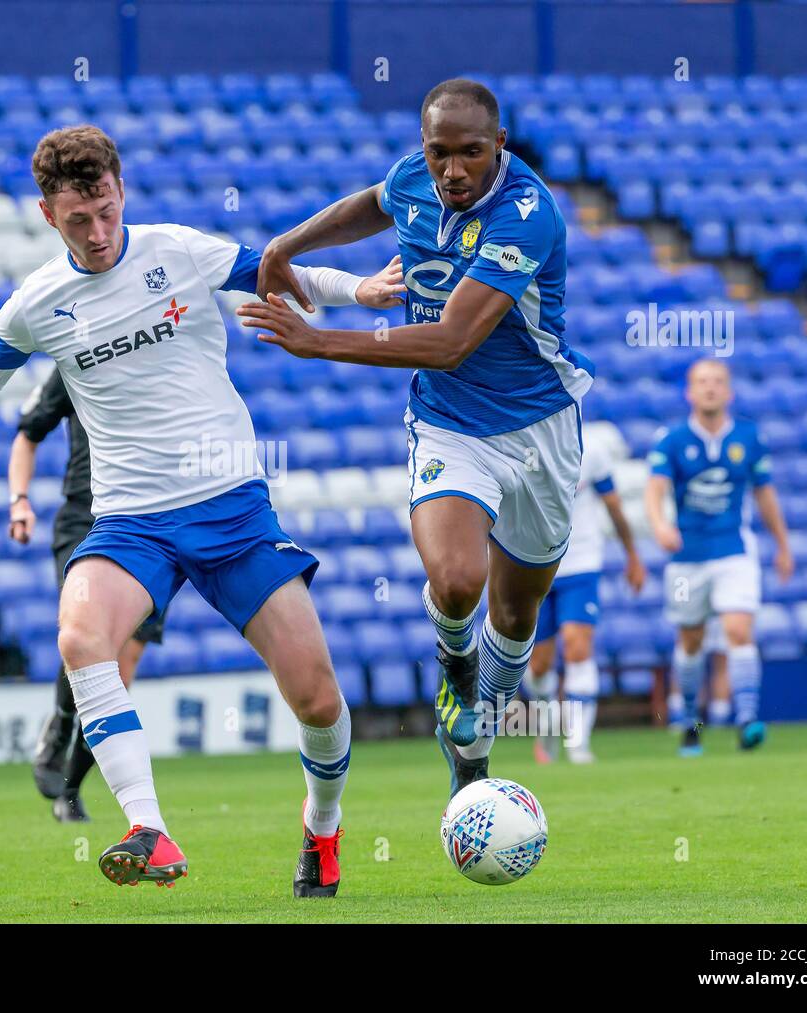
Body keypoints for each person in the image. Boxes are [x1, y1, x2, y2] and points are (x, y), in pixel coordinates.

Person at [0, 124, 405, 895]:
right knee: (80, 634)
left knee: (319, 697)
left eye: (104, 211)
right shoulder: (36, 302)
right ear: (45, 215)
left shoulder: (178, 251)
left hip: (230, 511)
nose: (96, 235)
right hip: (131, 522)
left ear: (120, 189)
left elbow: (274, 268)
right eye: (76, 221)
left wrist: (356, 290)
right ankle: (147, 826)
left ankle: (322, 828)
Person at [240, 78, 592, 799]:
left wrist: (320, 341)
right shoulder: (414, 177)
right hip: (450, 423)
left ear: (500, 145)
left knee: (517, 611)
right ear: (424, 148)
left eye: (470, 153)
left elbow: (453, 339)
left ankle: (472, 733)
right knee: (459, 579)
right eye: (439, 153)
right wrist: (288, 243)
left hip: (540, 428)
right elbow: (372, 204)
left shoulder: (526, 214)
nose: (452, 170)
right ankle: (456, 666)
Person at [8, 368, 166, 823]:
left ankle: (71, 788)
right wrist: (19, 500)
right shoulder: (79, 356)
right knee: (88, 634)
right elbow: (27, 432)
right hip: (88, 518)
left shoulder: (170, 353)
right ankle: (59, 726)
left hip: (153, 527)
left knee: (122, 666)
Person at [645, 358, 793, 754]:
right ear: (689, 392)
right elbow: (655, 488)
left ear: (728, 391)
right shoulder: (672, 439)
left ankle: (747, 721)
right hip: (686, 557)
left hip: (734, 550)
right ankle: (691, 722)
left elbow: (764, 492)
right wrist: (659, 524)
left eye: (717, 382)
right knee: (691, 641)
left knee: (739, 630)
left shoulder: (749, 437)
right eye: (702, 382)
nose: (710, 388)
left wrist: (782, 544)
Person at [524, 425, 644, 764]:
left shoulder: (590, 449)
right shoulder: (517, 440)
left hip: (581, 563)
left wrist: (632, 555)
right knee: (539, 664)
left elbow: (613, 506)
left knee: (578, 647)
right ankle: (547, 728)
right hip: (532, 564)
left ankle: (578, 744)